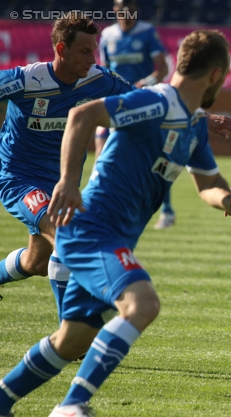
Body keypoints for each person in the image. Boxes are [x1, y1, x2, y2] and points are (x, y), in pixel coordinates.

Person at [0, 29, 231, 417]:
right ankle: (70, 408)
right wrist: (67, 181)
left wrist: (230, 200)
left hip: (111, 236)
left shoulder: (192, 125)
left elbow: (207, 185)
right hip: (91, 229)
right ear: (216, 75)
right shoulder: (154, 101)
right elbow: (83, 115)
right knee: (143, 304)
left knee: (73, 339)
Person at [0, 17, 137, 321]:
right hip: (18, 179)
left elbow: (148, 100)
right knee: (66, 233)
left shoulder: (99, 80)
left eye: (95, 51)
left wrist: (206, 119)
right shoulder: (25, 80)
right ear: (61, 49)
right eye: (85, 52)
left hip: (60, 184)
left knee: (36, 262)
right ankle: (69, 333)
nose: (93, 59)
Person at [95, 0, 176, 230]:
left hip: (144, 102)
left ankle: (167, 209)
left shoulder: (147, 32)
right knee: (101, 149)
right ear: (115, 9)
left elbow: (163, 69)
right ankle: (102, 208)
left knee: (155, 158)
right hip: (117, 103)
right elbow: (104, 70)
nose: (126, 9)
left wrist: (144, 83)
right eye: (121, 5)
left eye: (130, 4)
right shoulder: (108, 35)